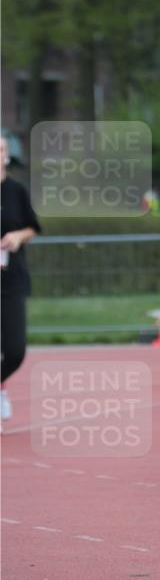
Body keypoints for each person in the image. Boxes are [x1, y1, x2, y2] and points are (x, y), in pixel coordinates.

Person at [1, 136, 42, 422]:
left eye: (1, 149)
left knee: (15, 350)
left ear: (6, 156)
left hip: (12, 280)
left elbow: (34, 227)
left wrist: (17, 236)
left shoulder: (17, 191)